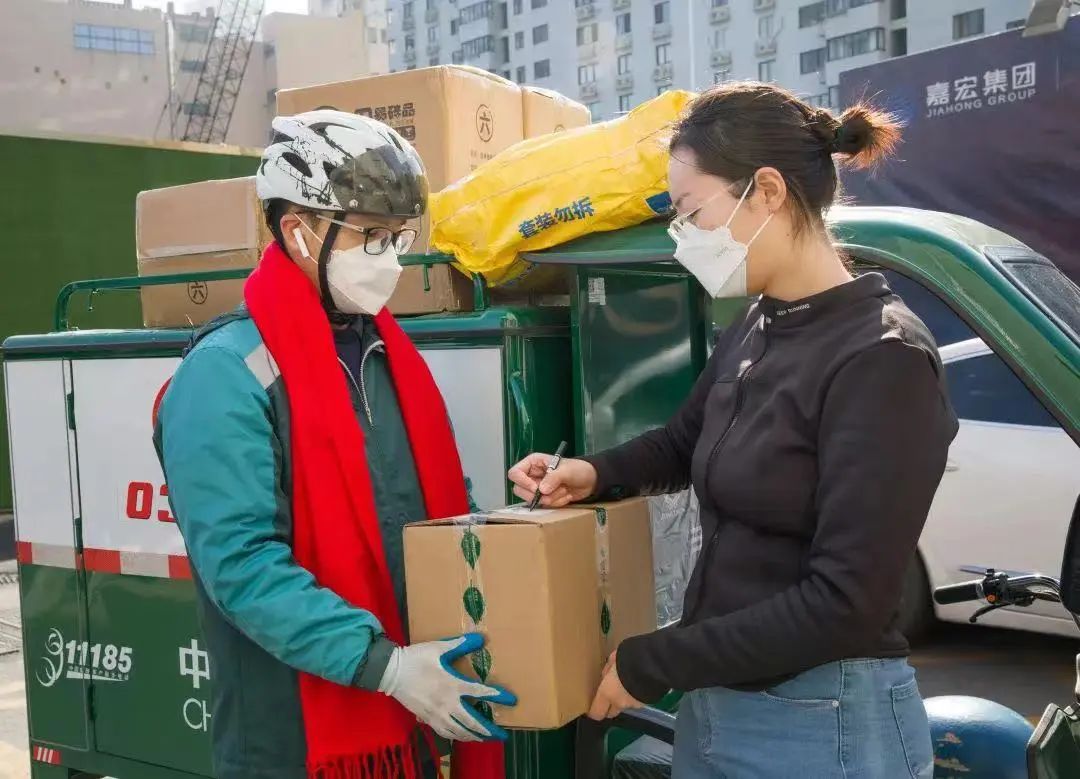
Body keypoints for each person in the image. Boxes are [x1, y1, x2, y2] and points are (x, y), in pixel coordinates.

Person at [508, 82, 957, 778]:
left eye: (690, 213)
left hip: (824, 724)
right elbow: (685, 442)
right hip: (723, 704)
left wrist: (654, 659)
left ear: (768, 191)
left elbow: (845, 603)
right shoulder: (759, 322)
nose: (681, 237)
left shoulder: (881, 358)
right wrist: (592, 472)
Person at [155, 110, 514, 779]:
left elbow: (437, 512)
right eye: (372, 236)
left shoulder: (387, 356)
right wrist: (387, 667)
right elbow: (240, 563)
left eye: (399, 237)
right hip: (292, 738)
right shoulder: (226, 373)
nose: (391, 258)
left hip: (412, 723)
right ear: (298, 231)